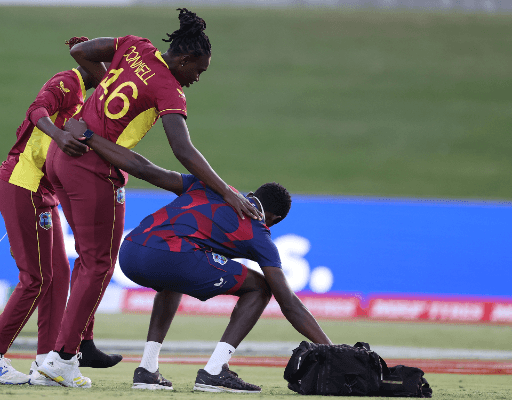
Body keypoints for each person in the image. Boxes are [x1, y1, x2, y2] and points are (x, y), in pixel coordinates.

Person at [36, 8, 262, 389]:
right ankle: (61, 358)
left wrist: (112, 81)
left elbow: (81, 52)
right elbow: (183, 151)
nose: (196, 79)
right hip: (92, 168)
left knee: (88, 260)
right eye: (198, 71)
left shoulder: (136, 47)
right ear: (185, 59)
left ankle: (72, 349)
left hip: (63, 155)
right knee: (99, 263)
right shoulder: (168, 89)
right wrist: (226, 191)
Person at [63, 117, 333, 393]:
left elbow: (143, 168)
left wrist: (89, 136)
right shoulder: (260, 234)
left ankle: (147, 369)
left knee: (176, 276)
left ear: (251, 194)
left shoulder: (206, 185)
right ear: (274, 219)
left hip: (130, 250)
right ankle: (215, 371)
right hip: (169, 255)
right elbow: (289, 303)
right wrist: (331, 349)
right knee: (262, 287)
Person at [0, 38, 121, 387]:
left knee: (58, 277)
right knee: (35, 278)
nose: (114, 78)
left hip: (43, 191)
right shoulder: (67, 81)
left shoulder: (94, 100)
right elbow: (36, 110)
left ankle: (46, 363)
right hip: (22, 182)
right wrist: (59, 135)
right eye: (111, 71)